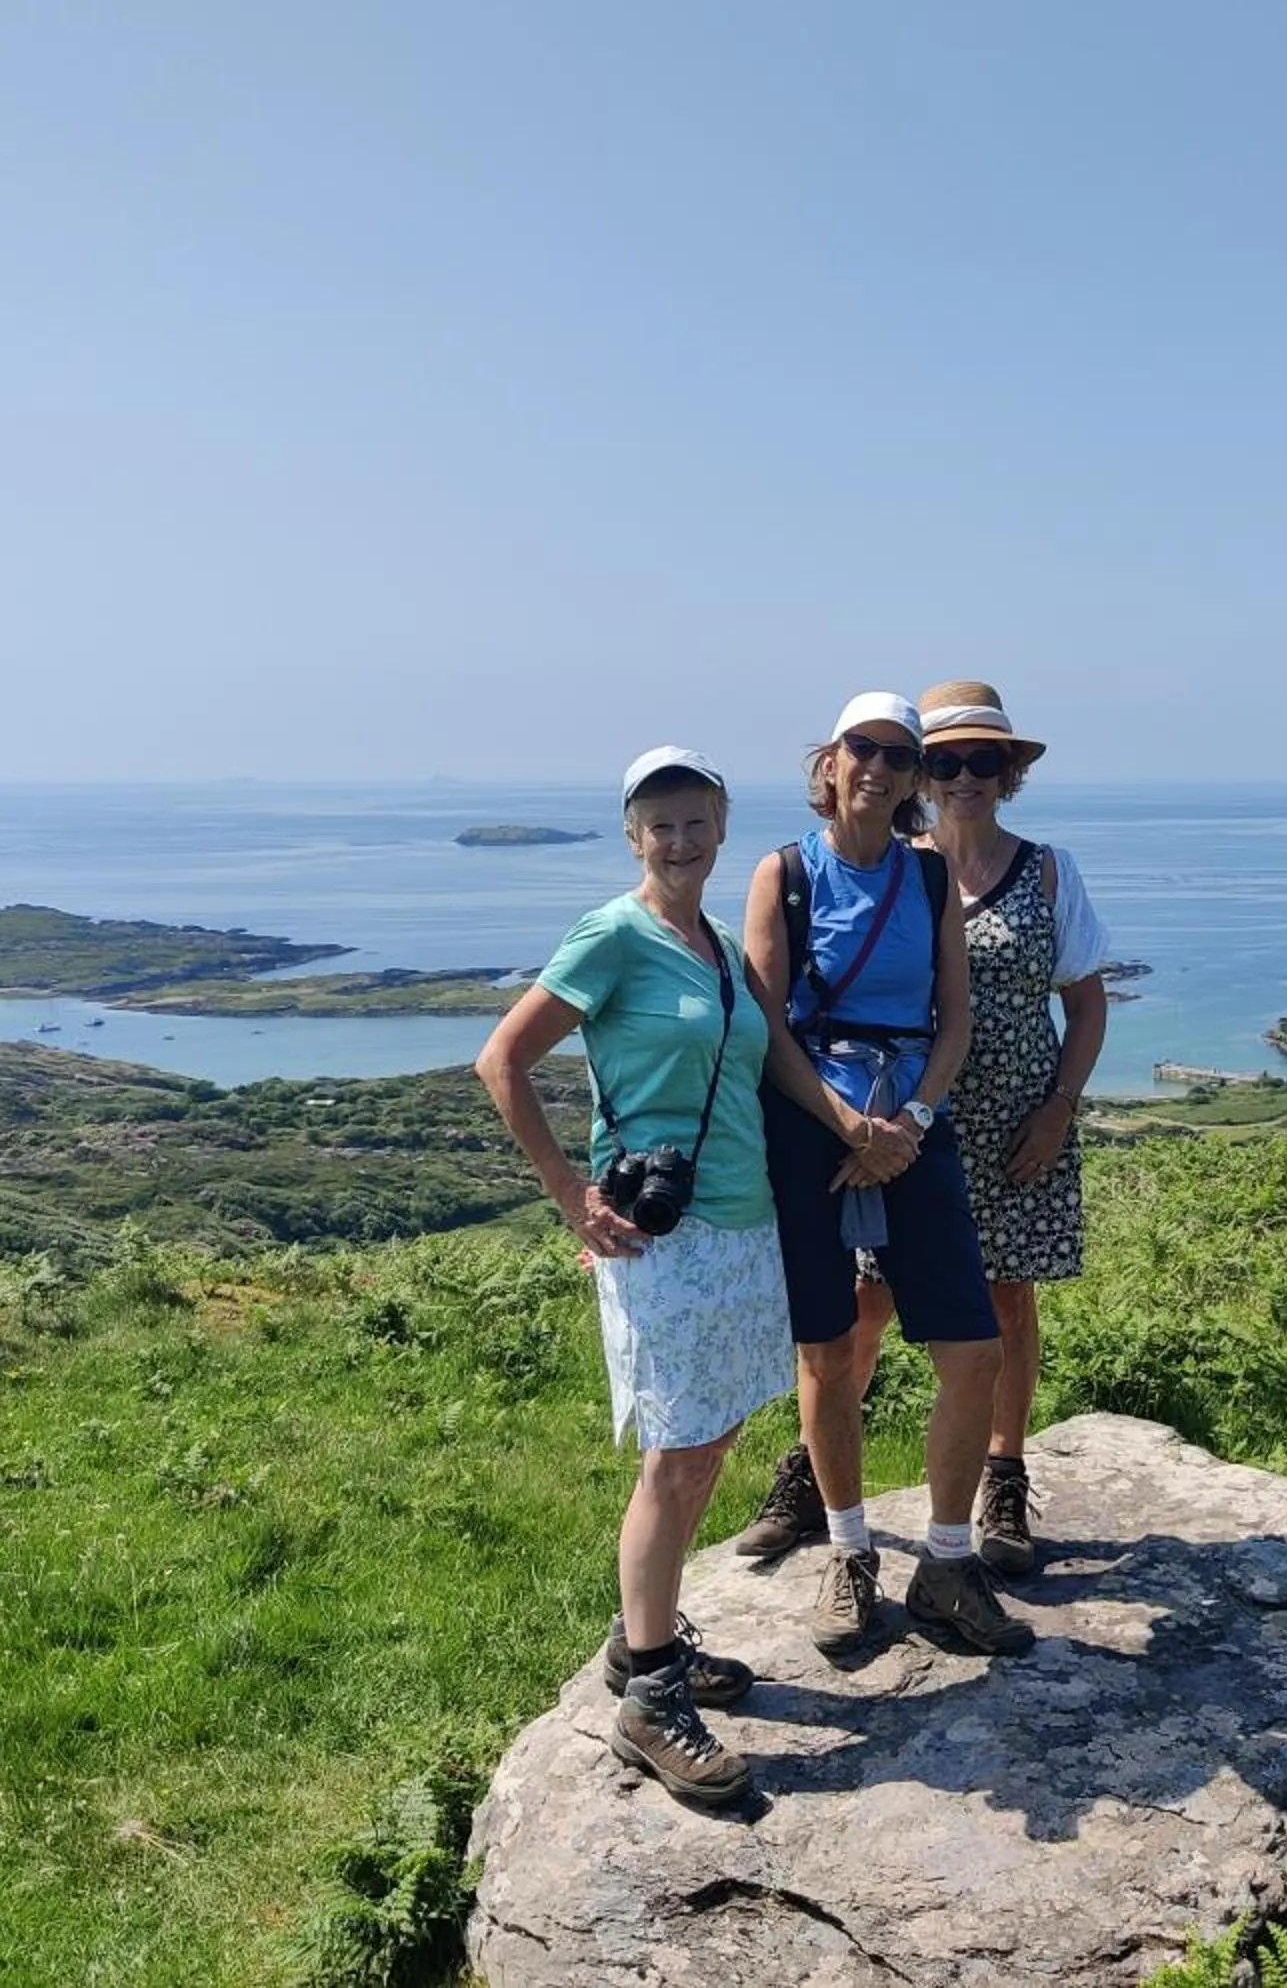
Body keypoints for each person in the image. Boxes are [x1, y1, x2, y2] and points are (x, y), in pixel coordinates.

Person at [475, 746, 792, 1807]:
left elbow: (770, 1056)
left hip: (744, 1226)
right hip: (667, 1239)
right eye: (659, 823)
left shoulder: (711, 945)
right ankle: (651, 1702)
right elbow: (502, 1061)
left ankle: (639, 1637)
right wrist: (573, 1197)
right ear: (632, 835)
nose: (680, 838)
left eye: (696, 819)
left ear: (721, 822)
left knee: (715, 1437)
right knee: (676, 1456)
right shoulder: (614, 934)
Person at [731, 691, 1034, 1658]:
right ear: (830, 762)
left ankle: (946, 1563)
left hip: (908, 1116)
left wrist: (907, 1121)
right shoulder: (782, 873)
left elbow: (955, 1019)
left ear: (912, 781)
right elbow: (767, 1024)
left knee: (971, 1348)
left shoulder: (929, 877)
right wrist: (846, 1123)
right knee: (826, 1351)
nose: (881, 768)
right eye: (865, 749)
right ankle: (850, 1552)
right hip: (814, 1121)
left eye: (901, 758)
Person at [869, 680, 1109, 1574]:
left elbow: (1085, 1006)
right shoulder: (896, 868)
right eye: (944, 761)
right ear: (919, 774)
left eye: (983, 760)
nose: (964, 776)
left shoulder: (1047, 871)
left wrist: (1059, 1109)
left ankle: (1003, 1474)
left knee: (1008, 1298)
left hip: (1018, 1122)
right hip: (906, 1121)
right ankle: (819, 1471)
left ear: (1007, 773)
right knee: (867, 1298)